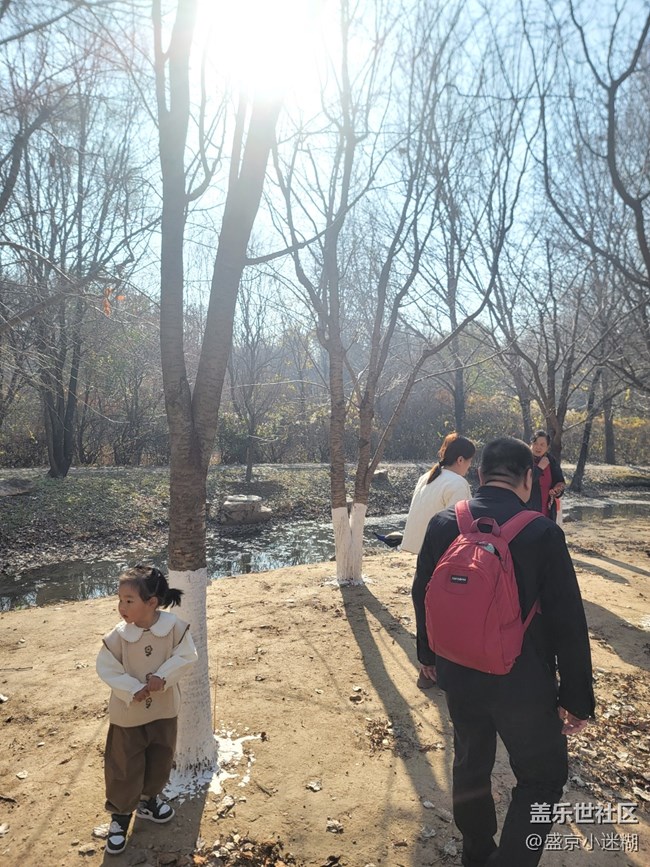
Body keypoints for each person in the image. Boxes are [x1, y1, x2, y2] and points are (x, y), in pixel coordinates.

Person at [412, 437, 594, 867]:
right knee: (543, 778)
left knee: (471, 761)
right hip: (522, 681)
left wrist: (429, 656)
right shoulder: (542, 532)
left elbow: (422, 592)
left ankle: (477, 854)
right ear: (529, 479)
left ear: (479, 475)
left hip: (458, 670)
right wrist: (576, 698)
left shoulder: (443, 523)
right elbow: (568, 621)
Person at [96, 565, 198, 856]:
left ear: (151, 603)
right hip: (128, 716)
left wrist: (163, 676)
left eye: (129, 601)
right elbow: (107, 668)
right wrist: (130, 688)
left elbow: (187, 656)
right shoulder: (116, 638)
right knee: (124, 765)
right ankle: (120, 816)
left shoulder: (175, 629)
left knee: (160, 758)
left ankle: (148, 800)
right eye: (120, 599)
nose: (122, 607)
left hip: (164, 711)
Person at [401, 433, 476, 687]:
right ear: (460, 459)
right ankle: (443, 669)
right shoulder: (456, 483)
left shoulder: (428, 476)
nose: (469, 468)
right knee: (445, 613)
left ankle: (426, 668)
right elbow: (460, 525)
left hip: (422, 553)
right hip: (442, 557)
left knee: (423, 607)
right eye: (469, 463)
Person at [529, 430, 565, 521]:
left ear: (547, 447)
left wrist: (557, 490)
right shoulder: (524, 459)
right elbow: (525, 482)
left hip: (548, 511)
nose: (538, 447)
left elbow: (560, 481)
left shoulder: (551, 460)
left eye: (542, 445)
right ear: (531, 444)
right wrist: (540, 468)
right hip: (528, 512)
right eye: (536, 443)